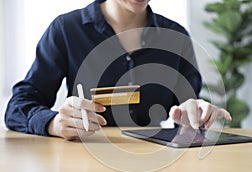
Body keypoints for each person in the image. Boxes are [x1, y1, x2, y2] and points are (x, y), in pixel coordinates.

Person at [4, 0, 231, 140]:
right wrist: (52, 123)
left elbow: (188, 108)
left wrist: (194, 115)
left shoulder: (177, 37)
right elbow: (18, 107)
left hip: (156, 166)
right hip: (83, 165)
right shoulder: (65, 29)